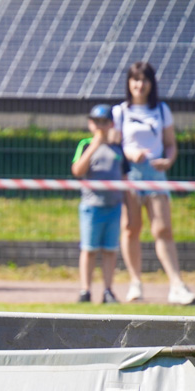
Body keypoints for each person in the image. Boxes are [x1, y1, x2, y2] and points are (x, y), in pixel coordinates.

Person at [111, 61, 194, 305]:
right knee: (130, 228)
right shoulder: (121, 112)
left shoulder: (161, 110)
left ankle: (176, 284)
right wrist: (129, 154)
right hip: (130, 176)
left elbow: (170, 144)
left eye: (144, 79)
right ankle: (135, 283)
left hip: (156, 176)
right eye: (135, 79)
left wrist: (167, 161)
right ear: (129, 83)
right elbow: (115, 145)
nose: (140, 84)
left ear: (151, 83)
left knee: (162, 229)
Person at [71, 104, 129, 304]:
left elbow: (124, 176)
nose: (101, 126)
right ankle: (85, 290)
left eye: (104, 122)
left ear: (111, 123)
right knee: (89, 249)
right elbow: (77, 170)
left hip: (113, 206)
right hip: (92, 206)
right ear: (91, 124)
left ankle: (108, 291)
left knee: (110, 250)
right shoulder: (85, 144)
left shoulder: (117, 147)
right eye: (97, 122)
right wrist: (95, 145)